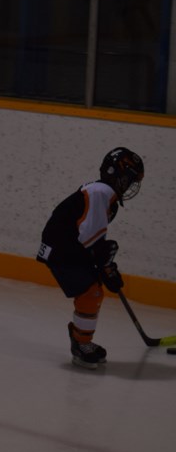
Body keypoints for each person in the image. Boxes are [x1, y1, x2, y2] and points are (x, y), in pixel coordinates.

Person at [36, 147, 144, 369]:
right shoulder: (100, 193)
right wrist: (105, 263)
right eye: (129, 179)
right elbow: (89, 240)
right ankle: (81, 345)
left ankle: (80, 338)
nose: (130, 185)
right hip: (62, 250)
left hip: (67, 247)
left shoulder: (103, 193)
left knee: (93, 289)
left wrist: (106, 265)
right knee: (91, 291)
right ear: (118, 174)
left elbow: (91, 241)